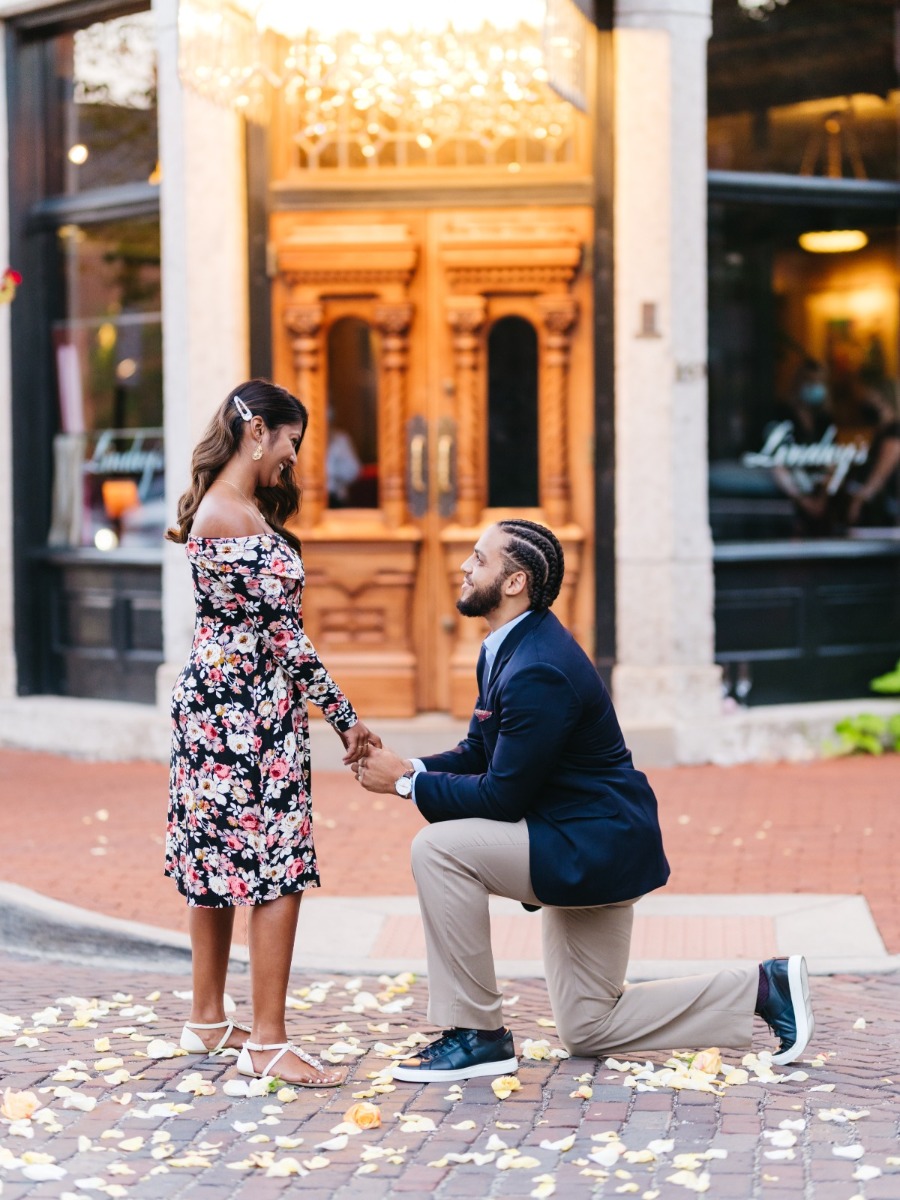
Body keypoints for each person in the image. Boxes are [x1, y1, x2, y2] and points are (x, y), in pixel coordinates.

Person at [353, 519, 814, 1082]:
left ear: (515, 581)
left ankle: (476, 1033)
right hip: (577, 836)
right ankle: (766, 989)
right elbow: (481, 750)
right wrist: (412, 767)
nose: (465, 566)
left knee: (439, 849)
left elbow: (502, 795)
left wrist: (405, 785)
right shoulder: (508, 648)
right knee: (589, 1027)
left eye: (478, 558)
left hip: (591, 843)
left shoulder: (538, 667)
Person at [165, 380, 379, 1087]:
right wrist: (347, 720)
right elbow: (286, 639)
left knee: (216, 861)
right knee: (276, 867)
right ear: (257, 429)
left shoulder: (224, 508)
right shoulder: (232, 516)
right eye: (290, 440)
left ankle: (206, 1019)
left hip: (219, 705)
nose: (293, 456)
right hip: (247, 713)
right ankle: (268, 1040)